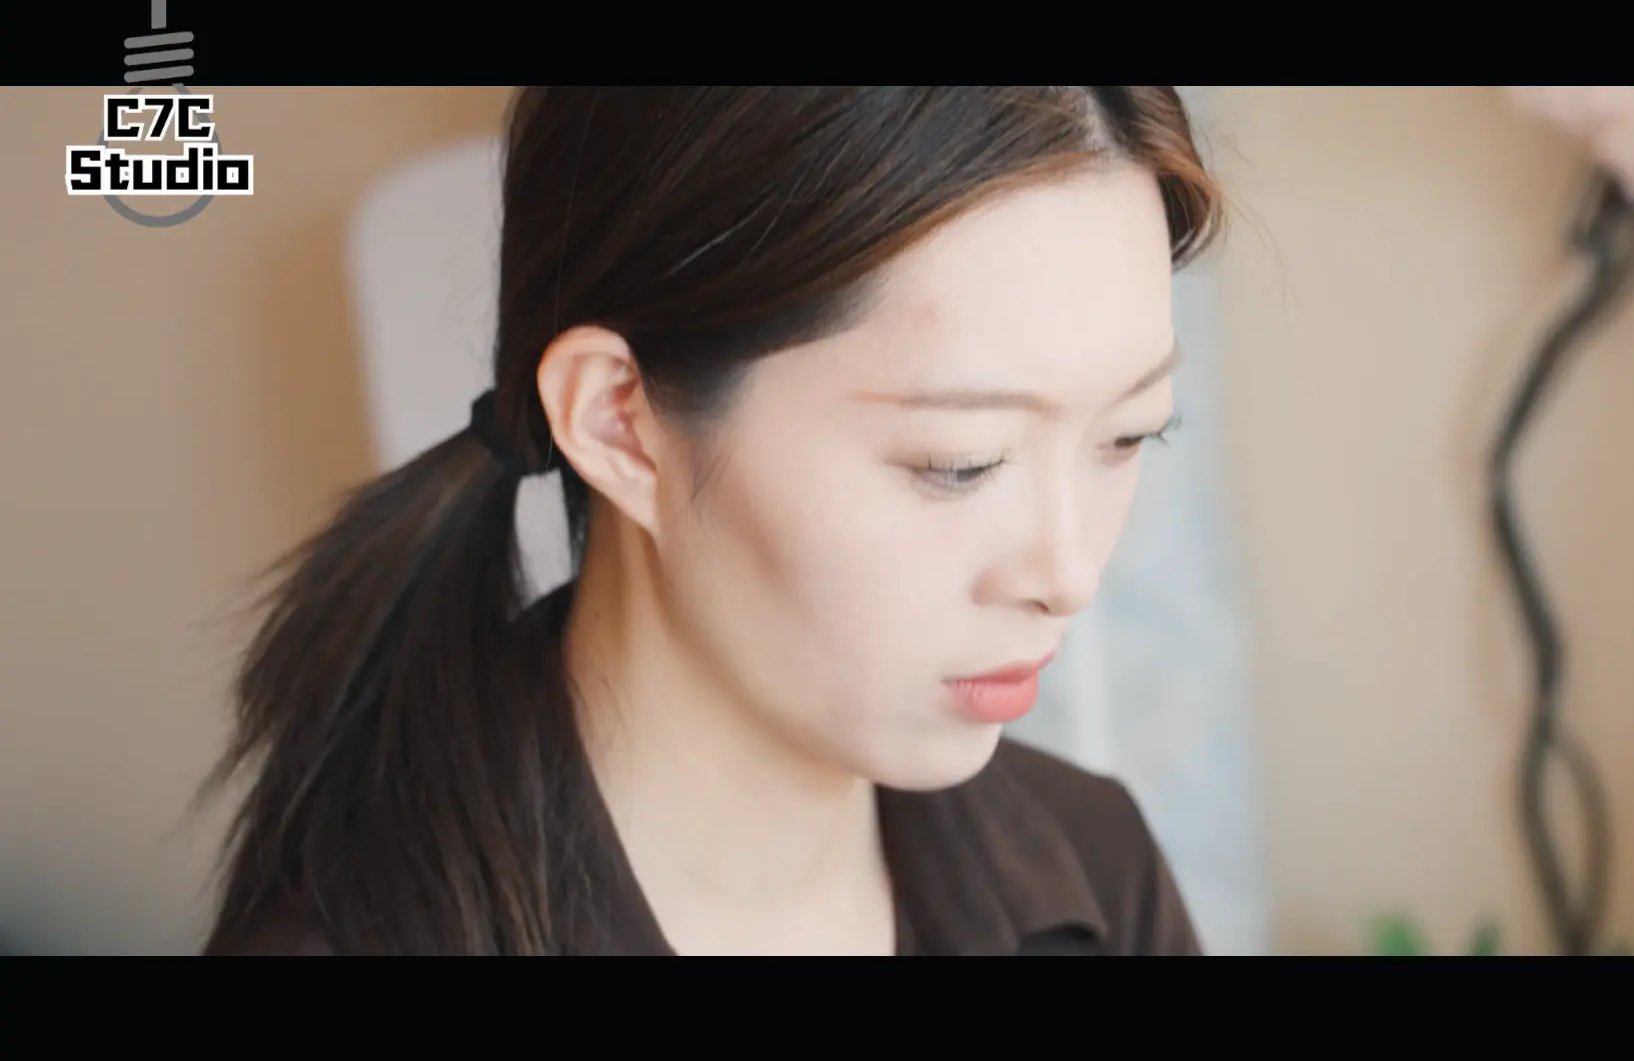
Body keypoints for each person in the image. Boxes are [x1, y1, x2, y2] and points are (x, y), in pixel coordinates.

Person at [200, 86, 1224, 956]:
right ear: (619, 422)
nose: (1069, 573)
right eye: (960, 464)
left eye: (1130, 435)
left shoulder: (1098, 870)